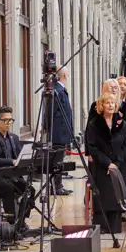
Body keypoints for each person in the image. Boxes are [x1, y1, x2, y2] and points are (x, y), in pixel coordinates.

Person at [85, 92, 126, 234]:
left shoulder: (122, 123)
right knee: (103, 196)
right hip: (101, 166)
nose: (110, 105)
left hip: (118, 166)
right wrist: (107, 163)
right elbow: (92, 147)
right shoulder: (94, 124)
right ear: (101, 105)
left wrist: (116, 163)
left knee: (116, 196)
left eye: (112, 103)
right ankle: (102, 227)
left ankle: (115, 227)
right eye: (107, 103)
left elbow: (125, 146)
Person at [0, 107, 30, 226]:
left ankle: (21, 220)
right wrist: (12, 161)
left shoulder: (14, 138)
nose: (8, 123)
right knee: (8, 188)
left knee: (29, 189)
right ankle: (11, 222)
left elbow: (18, 157)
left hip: (11, 176)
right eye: (5, 120)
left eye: (10, 120)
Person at [50, 66, 73, 196]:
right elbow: (51, 112)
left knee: (59, 160)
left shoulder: (60, 89)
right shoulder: (56, 90)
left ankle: (58, 185)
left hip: (62, 133)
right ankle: (56, 186)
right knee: (56, 161)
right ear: (64, 75)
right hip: (58, 133)